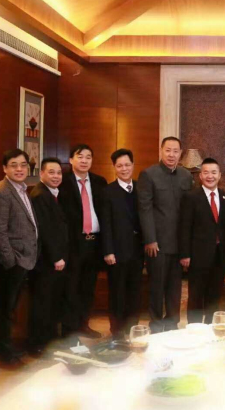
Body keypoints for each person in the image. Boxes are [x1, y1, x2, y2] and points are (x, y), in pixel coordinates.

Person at [0, 149, 38, 369]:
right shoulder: (2, 193)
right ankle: (2, 354)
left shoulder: (22, 189)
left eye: (23, 165)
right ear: (4, 168)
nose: (19, 169)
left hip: (24, 259)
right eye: (14, 165)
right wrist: (10, 261)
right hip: (11, 263)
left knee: (10, 309)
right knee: (3, 310)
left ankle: (5, 348)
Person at [138, 137, 193, 332]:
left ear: (180, 153)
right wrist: (150, 239)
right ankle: (155, 324)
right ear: (161, 151)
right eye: (168, 150)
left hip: (179, 243)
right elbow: (144, 209)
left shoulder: (186, 176)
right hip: (158, 243)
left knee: (175, 288)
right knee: (157, 286)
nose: (171, 155)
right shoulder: (148, 174)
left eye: (175, 151)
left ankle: (172, 324)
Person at [58, 144, 107, 339]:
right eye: (80, 156)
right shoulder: (62, 182)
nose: (84, 160)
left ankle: (83, 324)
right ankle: (69, 330)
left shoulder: (100, 182)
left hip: (94, 243)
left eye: (88, 157)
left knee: (88, 287)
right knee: (71, 287)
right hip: (73, 243)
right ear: (71, 160)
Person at [179, 158, 225, 324]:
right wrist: (185, 254)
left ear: (219, 175)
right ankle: (194, 329)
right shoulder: (191, 197)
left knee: (214, 296)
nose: (210, 176)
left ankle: (210, 327)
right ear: (200, 176)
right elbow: (184, 227)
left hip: (219, 256)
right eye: (206, 172)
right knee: (195, 296)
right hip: (197, 256)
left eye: (214, 172)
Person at [28, 158, 69, 354]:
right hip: (47, 261)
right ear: (41, 174)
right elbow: (45, 230)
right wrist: (56, 257)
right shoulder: (40, 195)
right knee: (42, 304)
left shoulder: (51, 193)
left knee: (52, 303)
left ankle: (49, 342)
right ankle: (39, 345)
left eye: (59, 173)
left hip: (54, 260)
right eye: (51, 172)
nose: (56, 176)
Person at [101, 149, 144, 338]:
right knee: (117, 292)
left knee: (135, 291)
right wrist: (108, 251)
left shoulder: (141, 188)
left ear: (133, 165)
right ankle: (117, 331)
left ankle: (132, 327)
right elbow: (105, 224)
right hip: (117, 252)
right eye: (120, 166)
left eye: (127, 165)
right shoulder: (107, 192)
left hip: (137, 250)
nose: (124, 169)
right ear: (114, 167)